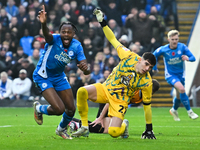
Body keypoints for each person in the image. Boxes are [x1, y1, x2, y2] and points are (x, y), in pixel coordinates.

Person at [71, 8, 157, 139]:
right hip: (106, 89)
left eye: (150, 67)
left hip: (120, 101)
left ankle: (124, 125)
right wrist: (102, 22)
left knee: (114, 133)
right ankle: (84, 126)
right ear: (140, 60)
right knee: (81, 91)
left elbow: (147, 107)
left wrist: (149, 130)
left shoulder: (147, 82)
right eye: (146, 64)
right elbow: (112, 39)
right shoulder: (128, 55)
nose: (147, 68)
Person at [32, 5, 90, 140]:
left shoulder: (77, 46)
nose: (66, 34)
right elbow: (47, 35)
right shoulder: (54, 39)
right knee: (59, 109)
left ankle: (61, 129)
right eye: (63, 32)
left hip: (58, 76)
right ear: (59, 32)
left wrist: (85, 69)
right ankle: (39, 109)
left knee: (71, 108)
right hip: (43, 75)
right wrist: (44, 23)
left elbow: (87, 69)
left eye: (69, 32)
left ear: (73, 34)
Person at [69, 79, 160, 135]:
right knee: (103, 128)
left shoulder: (142, 97)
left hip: (114, 103)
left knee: (100, 127)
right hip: (108, 99)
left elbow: (122, 104)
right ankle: (76, 124)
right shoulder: (134, 90)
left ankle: (71, 121)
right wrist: (101, 117)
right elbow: (111, 101)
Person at [153, 30, 198, 121]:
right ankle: (190, 112)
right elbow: (154, 55)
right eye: (172, 39)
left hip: (181, 75)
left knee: (179, 96)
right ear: (168, 39)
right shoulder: (164, 49)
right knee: (182, 89)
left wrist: (187, 58)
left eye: (176, 39)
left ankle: (174, 110)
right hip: (170, 75)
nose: (174, 41)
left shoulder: (182, 47)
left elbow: (193, 58)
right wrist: (154, 67)